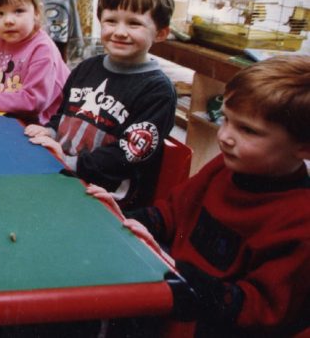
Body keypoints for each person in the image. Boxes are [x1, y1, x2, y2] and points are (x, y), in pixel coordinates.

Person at [90, 55, 310, 336]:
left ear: (304, 147)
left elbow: (259, 310)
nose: (225, 137)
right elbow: (171, 213)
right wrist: (117, 221)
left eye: (248, 130)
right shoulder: (223, 167)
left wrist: (181, 278)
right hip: (167, 300)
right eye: (226, 120)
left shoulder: (299, 222)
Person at [26, 0, 176, 210]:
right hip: (61, 172)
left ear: (160, 33)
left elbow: (127, 155)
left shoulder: (158, 92)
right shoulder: (85, 68)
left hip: (105, 195)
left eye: (134, 23)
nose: (119, 31)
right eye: (111, 21)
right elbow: (64, 114)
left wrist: (70, 162)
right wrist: (51, 132)